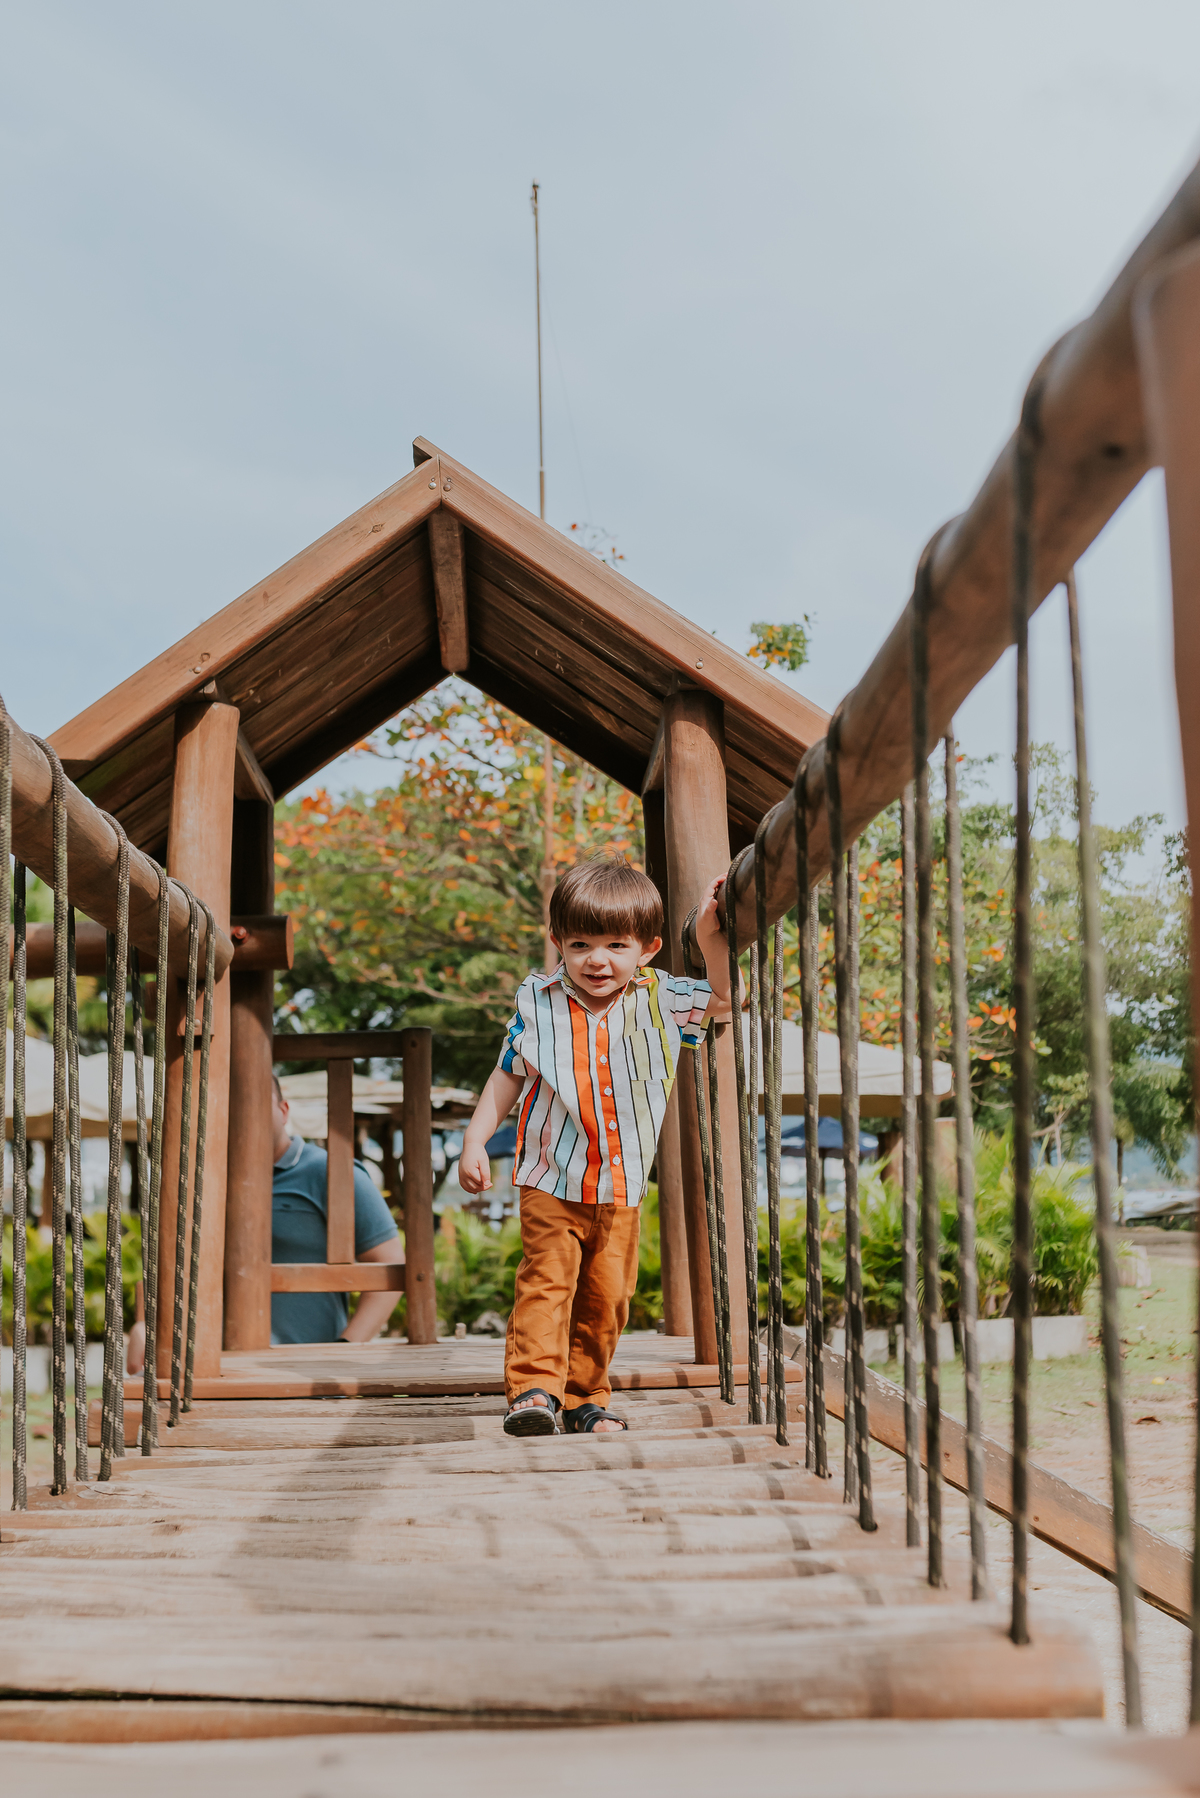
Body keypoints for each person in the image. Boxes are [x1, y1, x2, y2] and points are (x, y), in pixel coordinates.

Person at [458, 855, 733, 1437]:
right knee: (546, 1281)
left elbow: (728, 999)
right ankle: (533, 1392)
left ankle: (585, 1397)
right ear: (557, 943)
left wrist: (710, 934)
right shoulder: (540, 999)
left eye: (616, 945)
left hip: (621, 1182)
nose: (596, 960)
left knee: (608, 1295)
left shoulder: (666, 997)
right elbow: (508, 1071)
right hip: (549, 1172)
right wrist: (475, 1138)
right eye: (580, 944)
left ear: (648, 948)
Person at [270, 1075, 405, 1345]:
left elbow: (391, 1266)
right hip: (216, 1369)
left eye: (254, 1102)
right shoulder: (208, 1178)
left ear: (283, 1111)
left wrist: (344, 1350)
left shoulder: (331, 1172)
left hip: (307, 1374)